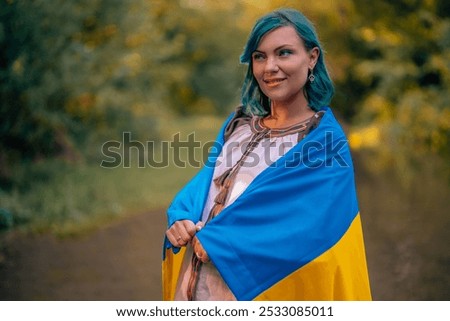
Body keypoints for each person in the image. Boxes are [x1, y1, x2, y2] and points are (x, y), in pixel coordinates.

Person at [162, 8, 372, 301]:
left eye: (284, 53)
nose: (269, 67)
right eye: (260, 56)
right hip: (195, 289)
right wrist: (181, 216)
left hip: (264, 294)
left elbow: (313, 231)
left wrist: (226, 242)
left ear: (312, 58)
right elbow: (207, 185)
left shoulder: (323, 142)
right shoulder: (238, 126)